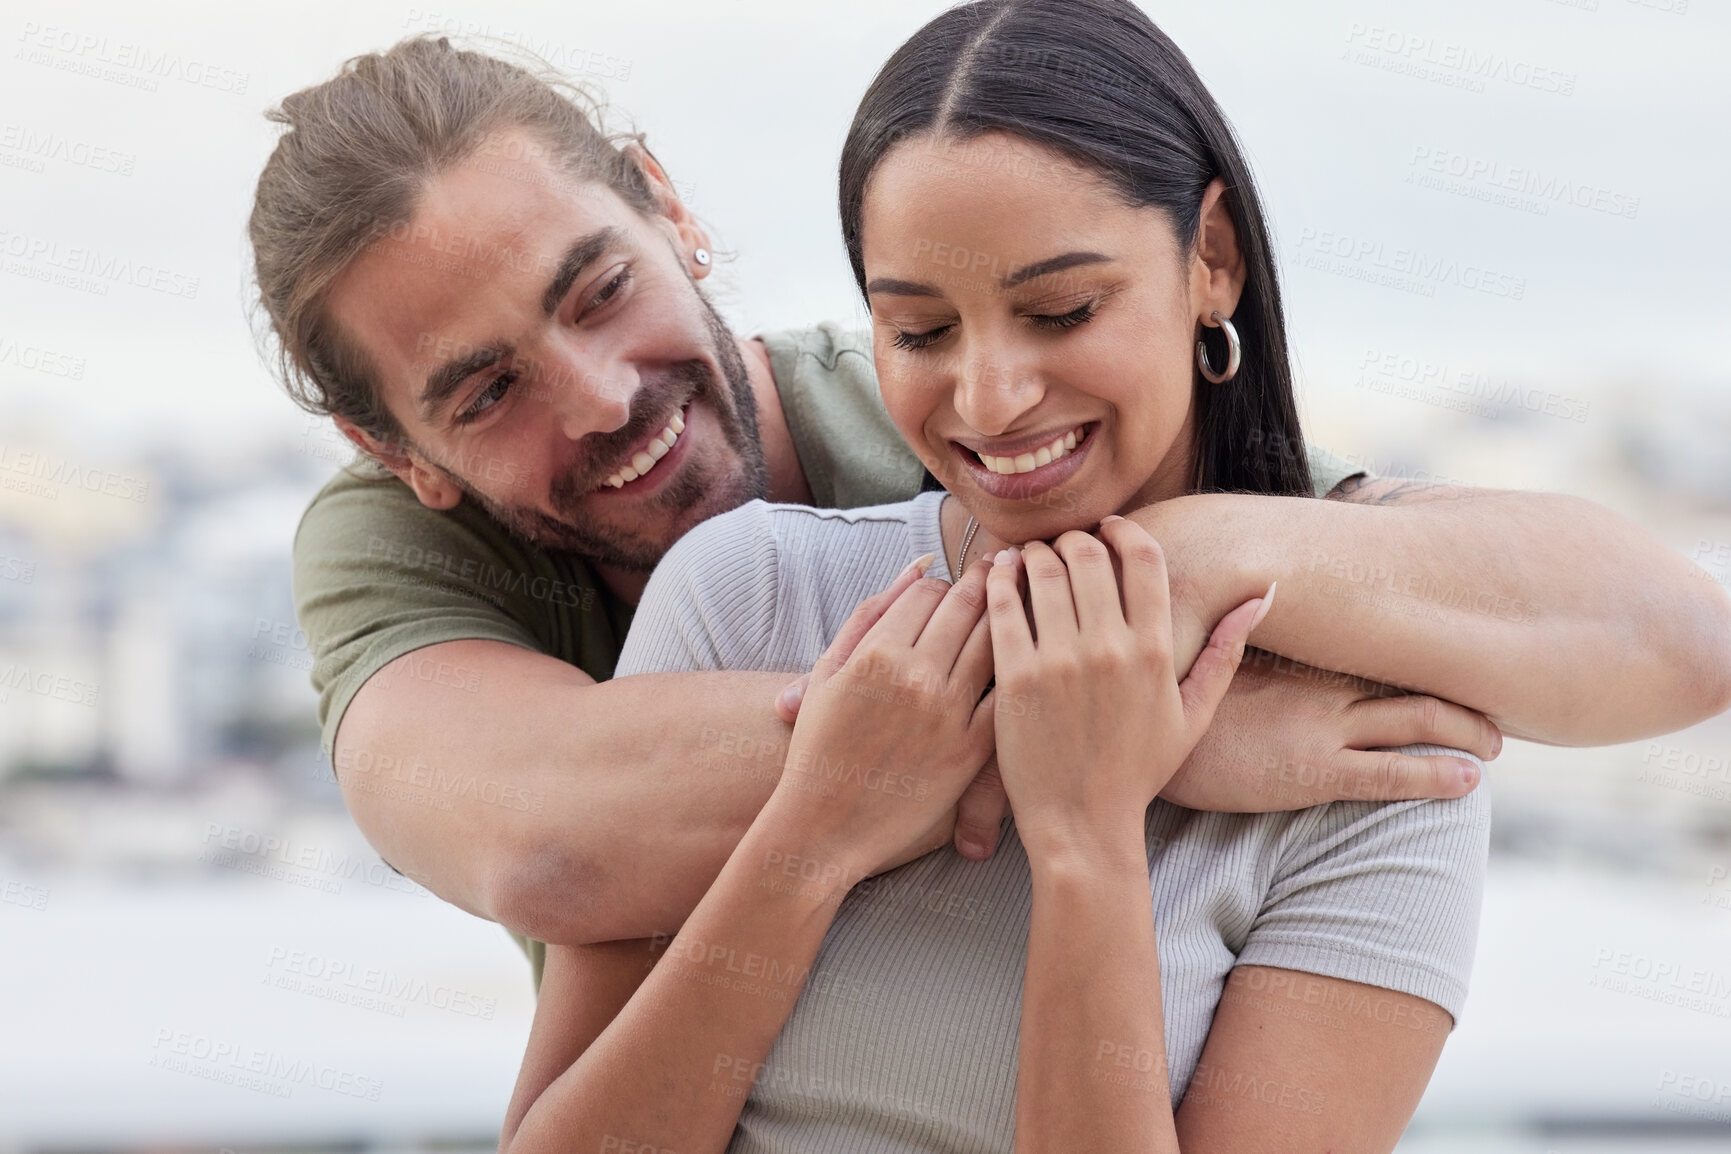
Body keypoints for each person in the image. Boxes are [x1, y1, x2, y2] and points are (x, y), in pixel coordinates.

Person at [252, 36, 1731, 984]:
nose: (591, 396)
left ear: (668, 206)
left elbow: (1666, 637)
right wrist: (1130, 730)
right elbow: (544, 837)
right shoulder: (390, 545)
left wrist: (1188, 554)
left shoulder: (983, 428)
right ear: (394, 448)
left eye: (600, 290)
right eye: (483, 389)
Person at [492, 4, 1510, 1149]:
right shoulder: (745, 594)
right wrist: (814, 834)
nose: (989, 398)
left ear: (1211, 260)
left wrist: (1087, 837)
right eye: (921, 332)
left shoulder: (1372, 745)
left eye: (1062, 310)